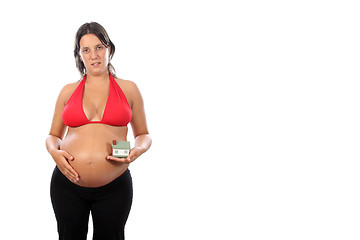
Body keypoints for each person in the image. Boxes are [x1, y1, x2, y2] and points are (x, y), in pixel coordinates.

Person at [45, 22, 152, 240]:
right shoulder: (68, 91)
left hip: (115, 186)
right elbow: (53, 136)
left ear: (109, 49)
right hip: (67, 185)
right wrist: (54, 153)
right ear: (79, 55)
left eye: (99, 47)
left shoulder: (129, 88)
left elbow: (143, 134)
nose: (94, 55)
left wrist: (138, 149)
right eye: (86, 50)